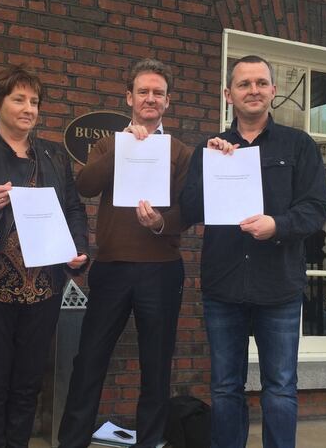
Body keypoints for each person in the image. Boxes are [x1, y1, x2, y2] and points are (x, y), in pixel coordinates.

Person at [58, 58, 227, 448]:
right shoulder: (108, 143)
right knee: (89, 361)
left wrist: (159, 224)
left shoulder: (181, 152)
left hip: (161, 270)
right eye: (143, 92)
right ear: (129, 98)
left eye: (158, 93)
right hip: (112, 267)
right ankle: (72, 441)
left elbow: (188, 211)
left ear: (168, 102)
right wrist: (122, 149)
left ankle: (150, 441)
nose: (150, 99)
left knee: (156, 363)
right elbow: (84, 184)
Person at [180, 55, 326, 448]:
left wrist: (277, 225)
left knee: (280, 388)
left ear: (273, 92)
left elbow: (315, 209)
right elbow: (192, 209)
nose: (253, 90)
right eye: (244, 84)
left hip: (279, 286)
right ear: (229, 94)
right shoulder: (209, 149)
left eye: (261, 83)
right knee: (225, 388)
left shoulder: (299, 146)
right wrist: (213, 165)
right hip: (223, 286)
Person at [0, 65, 89, 448]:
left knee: (27, 385)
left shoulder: (53, 155)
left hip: (43, 290)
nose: (29, 108)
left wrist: (77, 248)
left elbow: (74, 208)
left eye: (34, 101)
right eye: (19, 99)